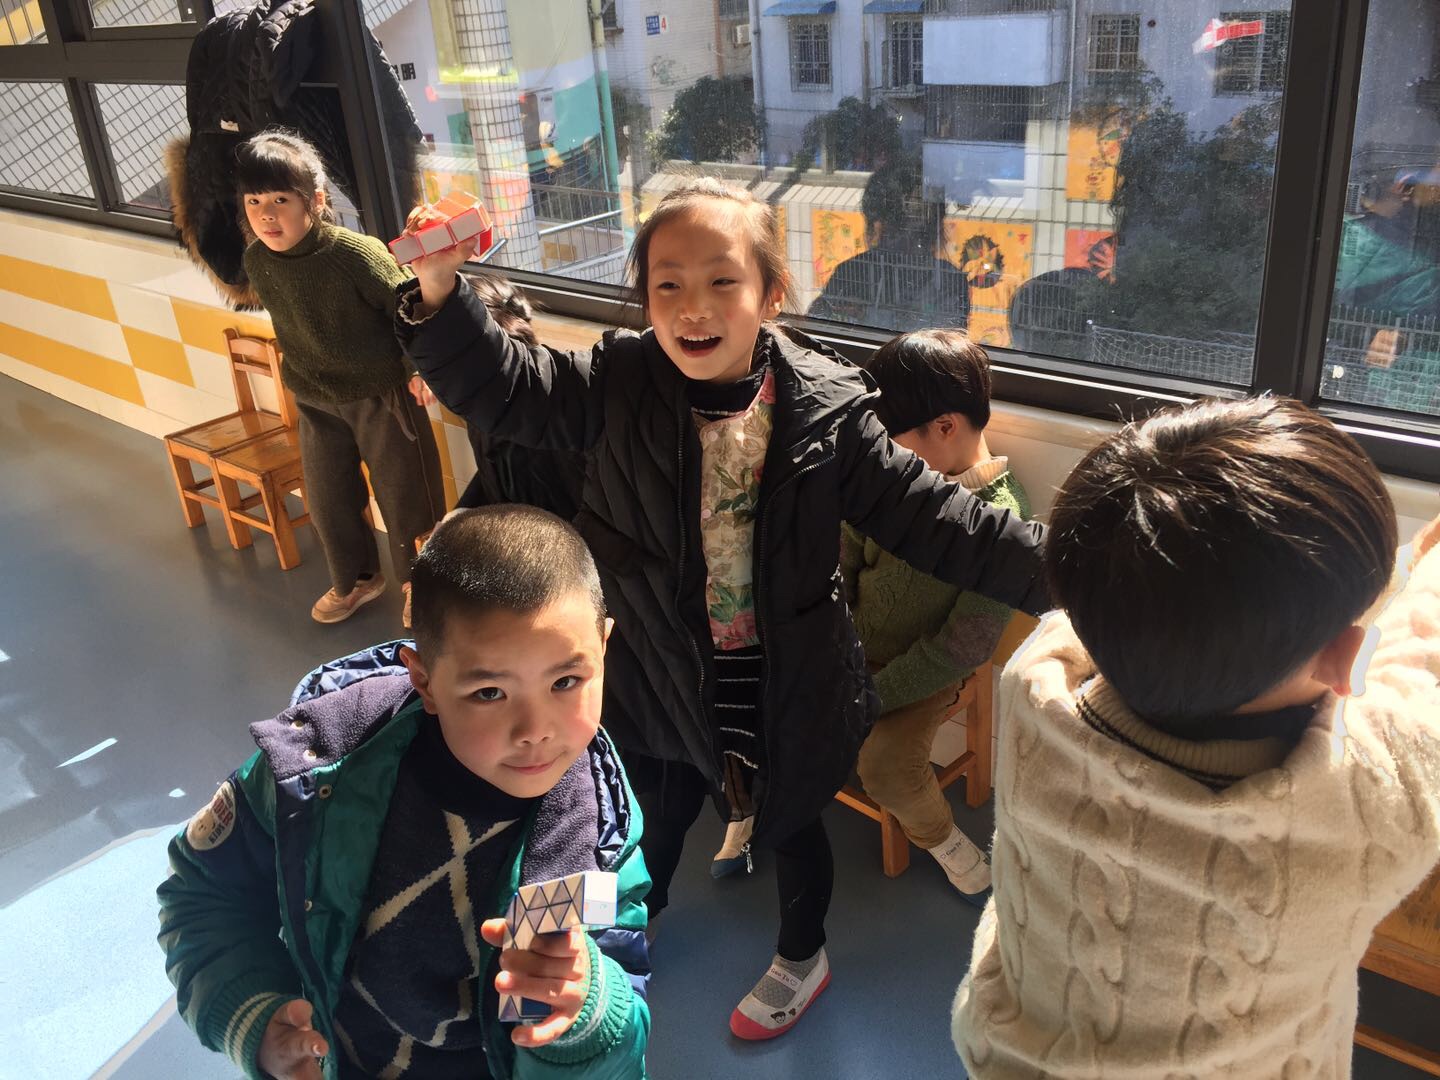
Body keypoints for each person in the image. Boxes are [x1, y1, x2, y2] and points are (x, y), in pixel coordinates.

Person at [395, 178, 1049, 1040]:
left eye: (721, 281)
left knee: (793, 824)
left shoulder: (829, 408)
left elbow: (947, 526)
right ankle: (613, 931)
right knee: (634, 815)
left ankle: (803, 955)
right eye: (666, 284)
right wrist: (440, 288)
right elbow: (507, 387)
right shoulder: (617, 381)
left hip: (790, 676)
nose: (692, 307)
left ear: (770, 294)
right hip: (656, 668)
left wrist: (1084, 577)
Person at [952, 397, 1440, 1077]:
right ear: (1344, 662)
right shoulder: (1368, 808)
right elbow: (1420, 667)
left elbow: (1101, 605)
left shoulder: (1031, 687)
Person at [158, 506, 651, 1080]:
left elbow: (616, 1000)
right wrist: (252, 1014)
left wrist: (587, 1013)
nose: (535, 730)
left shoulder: (590, 840)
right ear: (424, 680)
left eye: (566, 681)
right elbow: (203, 894)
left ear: (603, 646)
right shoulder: (318, 771)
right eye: (489, 692)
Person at [840, 330, 1030, 902]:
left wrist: (871, 696)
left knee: (886, 765)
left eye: (892, 441)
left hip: (925, 672)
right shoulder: (891, 482)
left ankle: (942, 839)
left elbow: (963, 646)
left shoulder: (1001, 523)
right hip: (848, 645)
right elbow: (844, 559)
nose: (883, 453)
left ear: (945, 427)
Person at [238, 130, 444, 625]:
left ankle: (424, 584)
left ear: (315, 201)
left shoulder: (355, 254)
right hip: (314, 398)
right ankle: (357, 580)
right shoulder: (257, 261)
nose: (266, 214)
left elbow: (409, 305)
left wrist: (420, 369)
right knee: (328, 500)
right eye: (254, 201)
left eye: (281, 200)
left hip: (381, 394)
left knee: (406, 497)